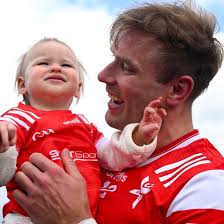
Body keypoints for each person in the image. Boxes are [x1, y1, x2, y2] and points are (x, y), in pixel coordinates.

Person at [8, 1, 224, 224]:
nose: (102, 75)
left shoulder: (206, 184)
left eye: (126, 67)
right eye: (113, 59)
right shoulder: (94, 152)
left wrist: (74, 220)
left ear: (177, 89)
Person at [0, 37, 167, 224]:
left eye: (66, 65)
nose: (56, 68)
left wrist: (139, 136)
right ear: (22, 85)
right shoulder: (18, 118)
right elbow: (3, 170)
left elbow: (113, 156)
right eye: (43, 62)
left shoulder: (84, 125)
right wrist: (3, 145)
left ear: (78, 88)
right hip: (27, 218)